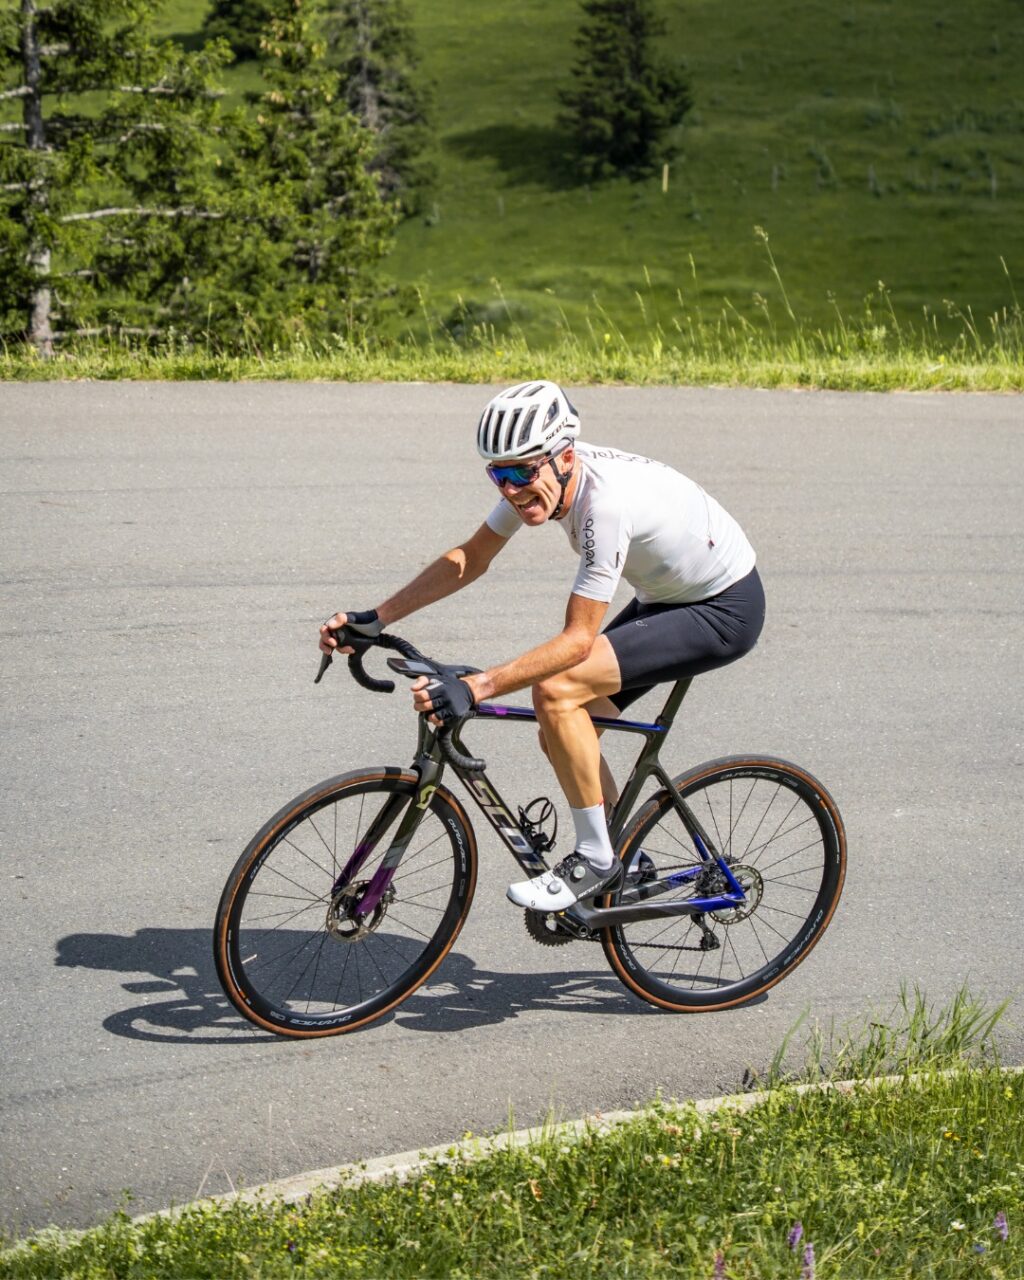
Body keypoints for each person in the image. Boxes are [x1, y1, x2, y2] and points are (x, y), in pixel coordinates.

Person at [320, 380, 764, 913]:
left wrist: (476, 687)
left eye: (522, 473)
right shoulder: (542, 478)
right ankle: (627, 860)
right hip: (668, 596)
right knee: (561, 731)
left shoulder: (606, 503)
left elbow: (577, 641)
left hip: (722, 609)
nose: (510, 489)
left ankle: (597, 860)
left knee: (556, 692)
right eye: (498, 474)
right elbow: (472, 557)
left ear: (565, 457)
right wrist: (376, 617)